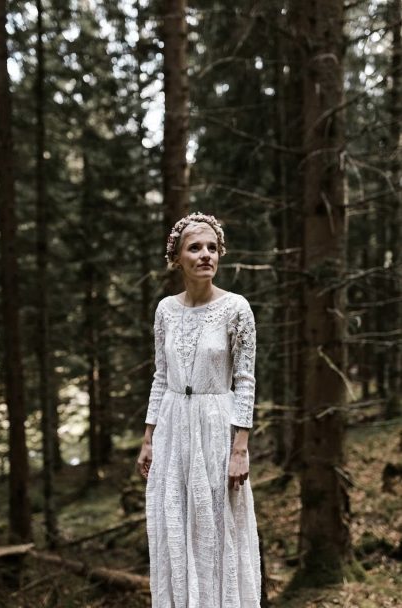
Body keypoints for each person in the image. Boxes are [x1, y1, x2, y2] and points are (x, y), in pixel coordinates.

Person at [137, 211, 261, 607]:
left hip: (216, 425)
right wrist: (148, 437)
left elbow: (244, 380)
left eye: (213, 248)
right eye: (196, 248)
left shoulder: (237, 308)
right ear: (177, 259)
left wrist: (240, 449)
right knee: (175, 521)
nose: (206, 255)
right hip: (173, 425)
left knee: (217, 528)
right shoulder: (165, 310)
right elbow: (160, 375)